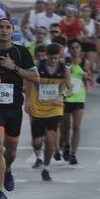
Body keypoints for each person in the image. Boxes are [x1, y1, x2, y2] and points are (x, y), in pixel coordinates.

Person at [0, 18, 39, 199]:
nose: (4, 30)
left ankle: (7, 170)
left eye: (8, 27)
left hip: (14, 107)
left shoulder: (21, 52)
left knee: (11, 151)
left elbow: (35, 77)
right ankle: (0, 192)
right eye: (1, 27)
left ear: (13, 31)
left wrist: (14, 67)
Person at [25, 42, 72, 182]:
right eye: (50, 58)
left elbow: (70, 90)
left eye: (55, 58)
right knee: (37, 142)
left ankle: (46, 168)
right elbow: (28, 83)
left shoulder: (64, 69)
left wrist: (61, 97)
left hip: (55, 108)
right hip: (38, 108)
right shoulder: (37, 66)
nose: (53, 60)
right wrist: (27, 101)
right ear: (46, 56)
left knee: (51, 139)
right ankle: (39, 149)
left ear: (59, 57)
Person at [58, 39, 87, 165]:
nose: (75, 50)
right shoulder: (64, 62)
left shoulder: (85, 62)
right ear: (69, 50)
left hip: (79, 98)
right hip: (66, 98)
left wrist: (87, 77)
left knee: (76, 127)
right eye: (73, 48)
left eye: (77, 47)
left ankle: (73, 153)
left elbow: (90, 80)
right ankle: (66, 145)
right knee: (65, 127)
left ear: (80, 49)